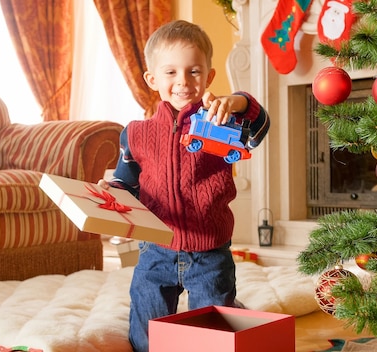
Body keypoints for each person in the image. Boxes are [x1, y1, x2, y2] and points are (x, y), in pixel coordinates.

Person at [98, 19, 270, 352]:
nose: (183, 82)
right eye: (171, 72)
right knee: (146, 333)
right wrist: (111, 191)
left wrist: (236, 102)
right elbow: (126, 180)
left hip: (209, 251)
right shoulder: (134, 133)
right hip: (155, 252)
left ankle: (234, 314)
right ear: (152, 79)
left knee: (212, 336)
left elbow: (260, 124)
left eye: (194, 72)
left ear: (209, 76)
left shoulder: (222, 120)